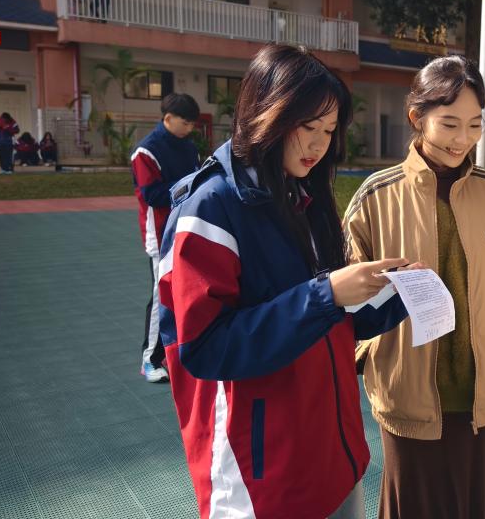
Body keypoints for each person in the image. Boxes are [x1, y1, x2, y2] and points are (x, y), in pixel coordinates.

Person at [158, 44, 413, 519]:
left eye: (329, 131)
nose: (319, 145)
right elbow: (205, 347)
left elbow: (330, 321)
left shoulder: (303, 196)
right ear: (267, 114)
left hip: (332, 454)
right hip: (261, 476)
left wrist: (396, 295)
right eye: (308, 127)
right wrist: (326, 295)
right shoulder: (210, 209)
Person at [344, 55, 485, 519]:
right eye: (449, 124)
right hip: (407, 389)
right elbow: (346, 289)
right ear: (417, 117)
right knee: (410, 505)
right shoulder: (377, 196)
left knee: (474, 505)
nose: (462, 139)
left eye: (474, 125)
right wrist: (368, 353)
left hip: (481, 390)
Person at [131, 93, 201, 383]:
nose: (189, 128)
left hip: (187, 227)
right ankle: (149, 359)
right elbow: (152, 194)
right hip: (159, 235)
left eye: (192, 124)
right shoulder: (145, 152)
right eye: (185, 123)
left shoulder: (189, 147)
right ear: (168, 118)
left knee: (187, 291)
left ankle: (177, 352)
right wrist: (190, 185)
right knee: (162, 295)